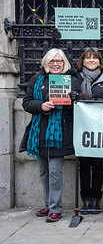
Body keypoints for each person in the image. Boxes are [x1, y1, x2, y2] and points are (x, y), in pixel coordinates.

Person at [22, 48, 81, 222]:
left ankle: (56, 208)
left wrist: (71, 99)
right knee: (43, 172)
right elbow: (26, 102)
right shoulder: (36, 79)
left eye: (59, 61)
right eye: (52, 61)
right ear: (46, 62)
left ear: (64, 63)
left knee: (55, 171)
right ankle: (48, 205)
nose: (55, 64)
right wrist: (41, 106)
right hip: (39, 131)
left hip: (59, 133)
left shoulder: (71, 80)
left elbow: (77, 105)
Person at [75, 47, 103, 214]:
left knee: (97, 165)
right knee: (84, 165)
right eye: (87, 58)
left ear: (100, 62)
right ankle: (85, 200)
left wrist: (93, 100)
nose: (91, 61)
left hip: (100, 129)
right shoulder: (76, 78)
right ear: (82, 61)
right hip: (81, 127)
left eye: (94, 58)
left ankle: (96, 200)